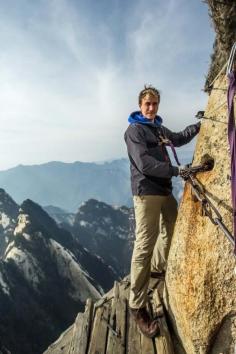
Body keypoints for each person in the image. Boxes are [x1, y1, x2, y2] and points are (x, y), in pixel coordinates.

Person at [124, 85, 200, 338]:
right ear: (139, 104)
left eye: (155, 104)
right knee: (144, 244)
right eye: (147, 103)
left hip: (164, 189)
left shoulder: (157, 127)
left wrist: (200, 126)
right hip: (147, 191)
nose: (151, 108)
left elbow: (177, 138)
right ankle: (137, 305)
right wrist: (178, 171)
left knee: (171, 227)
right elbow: (144, 163)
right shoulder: (134, 131)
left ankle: (157, 267)